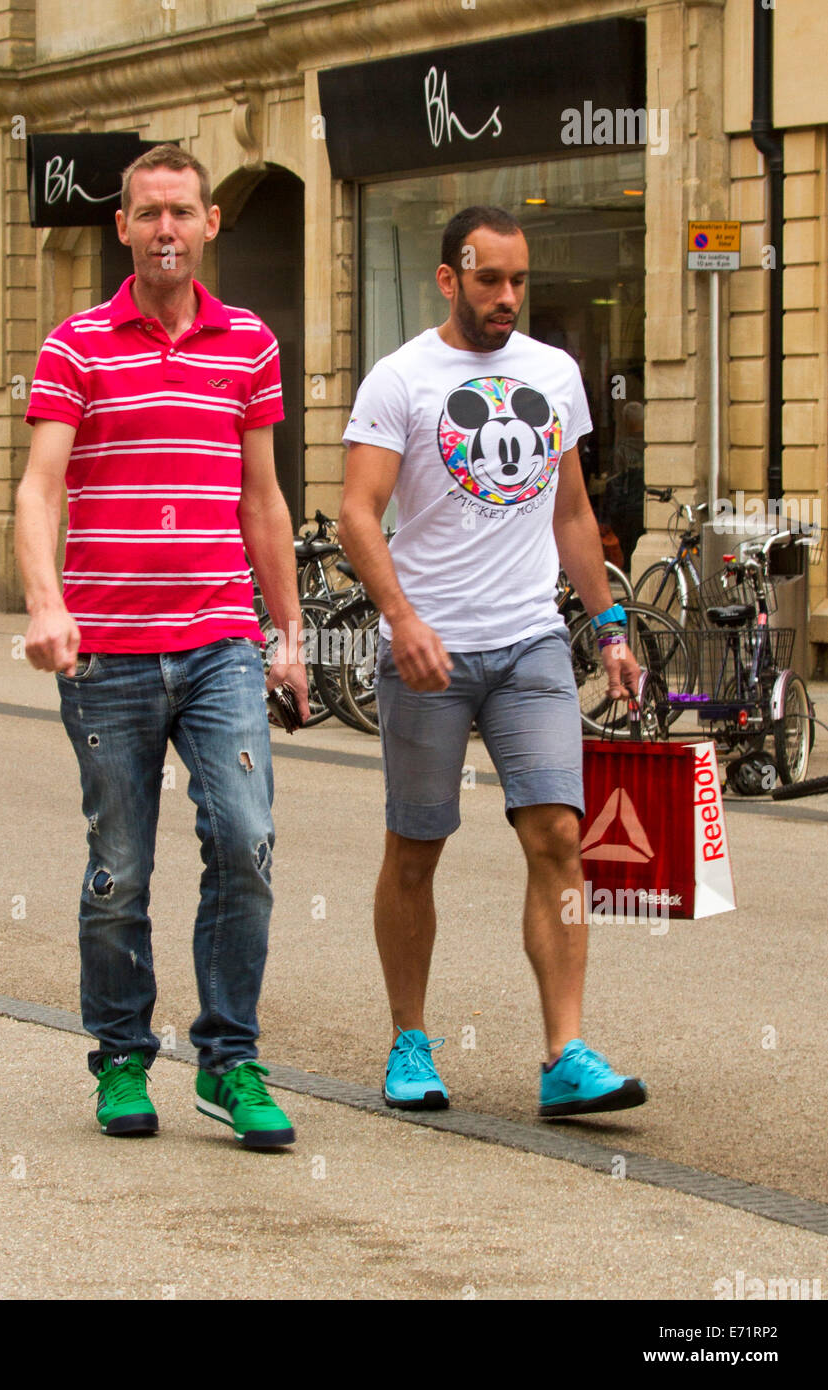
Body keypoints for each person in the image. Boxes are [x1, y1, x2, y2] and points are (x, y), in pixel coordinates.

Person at [17, 143, 308, 1148]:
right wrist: (47, 603)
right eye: (149, 213)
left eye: (183, 211)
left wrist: (289, 631)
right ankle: (122, 1056)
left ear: (210, 222)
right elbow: (37, 487)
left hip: (222, 636)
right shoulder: (77, 344)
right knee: (121, 865)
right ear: (124, 228)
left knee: (245, 837)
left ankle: (230, 1058)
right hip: (106, 653)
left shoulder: (251, 345)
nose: (167, 228)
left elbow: (262, 498)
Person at [338, 205, 648, 1119]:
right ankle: (409, 1043)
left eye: (518, 280)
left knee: (556, 835)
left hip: (531, 646)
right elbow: (359, 511)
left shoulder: (552, 373)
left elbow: (570, 515)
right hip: (429, 653)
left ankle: (563, 1053)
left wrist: (613, 629)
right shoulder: (401, 378)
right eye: (488, 281)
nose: (506, 296)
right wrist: (401, 619)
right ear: (449, 279)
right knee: (416, 847)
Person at [601, 400, 645, 571]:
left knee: (625, 552)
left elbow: (616, 482)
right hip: (643, 505)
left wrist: (610, 514)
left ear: (626, 422)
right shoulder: (649, 444)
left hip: (627, 508)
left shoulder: (622, 448)